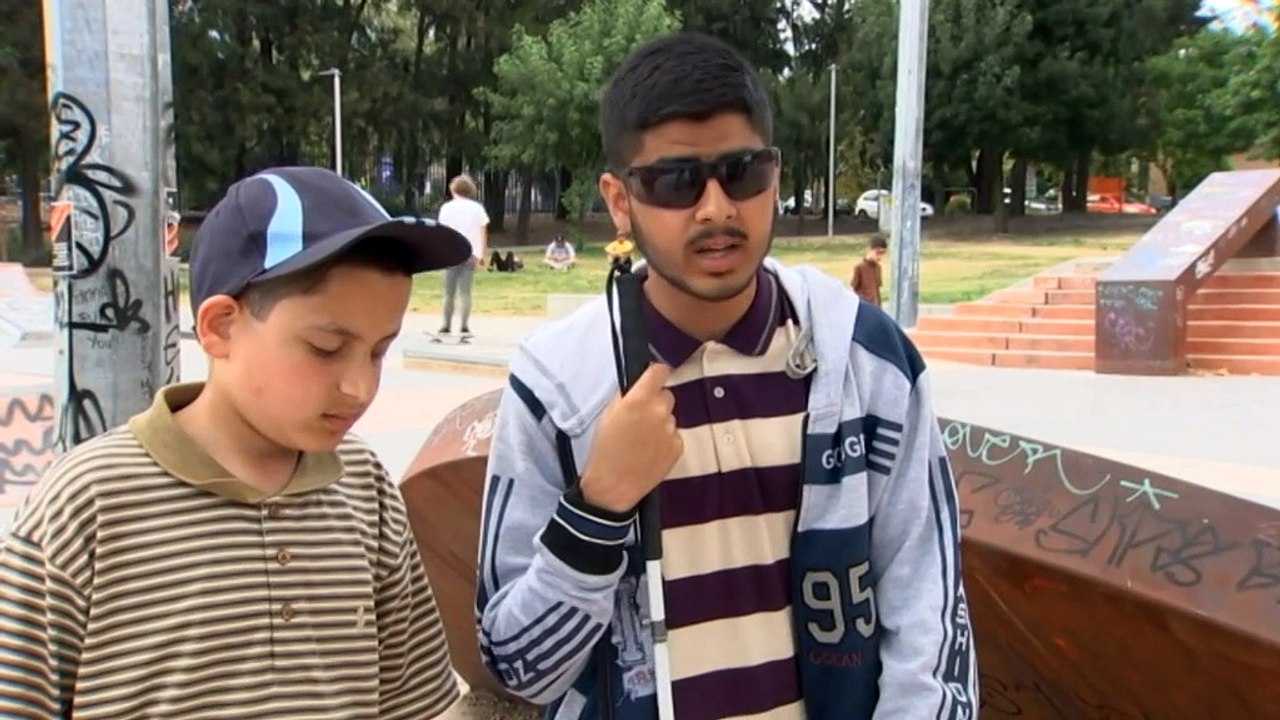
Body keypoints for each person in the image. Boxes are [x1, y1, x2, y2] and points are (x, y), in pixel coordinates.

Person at [475, 31, 976, 720]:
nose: (716, 208)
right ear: (620, 202)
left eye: (741, 172)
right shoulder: (560, 386)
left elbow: (929, 619)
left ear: (774, 174)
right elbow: (520, 666)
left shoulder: (865, 358)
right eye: (677, 181)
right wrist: (599, 506)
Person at [0, 166, 468, 718]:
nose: (360, 386)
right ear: (220, 326)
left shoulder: (364, 489)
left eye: (378, 351)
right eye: (325, 347)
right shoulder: (89, 504)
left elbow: (412, 704)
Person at [438, 173, 489, 339]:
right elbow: (483, 232)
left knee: (448, 293)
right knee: (465, 292)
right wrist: (481, 253)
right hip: (470, 253)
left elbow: (442, 232)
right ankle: (464, 325)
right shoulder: (477, 208)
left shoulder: (446, 208)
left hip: (450, 252)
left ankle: (446, 325)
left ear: (453, 189)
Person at [852, 233, 888, 306]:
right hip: (864, 306)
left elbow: (877, 290)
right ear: (869, 250)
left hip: (875, 306)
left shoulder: (878, 268)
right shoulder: (859, 268)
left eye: (883, 253)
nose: (880, 257)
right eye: (878, 253)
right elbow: (854, 290)